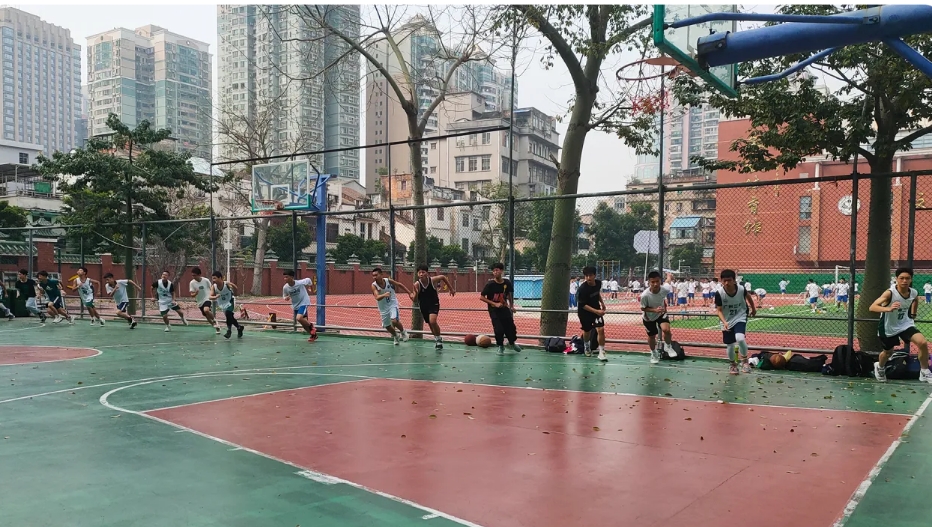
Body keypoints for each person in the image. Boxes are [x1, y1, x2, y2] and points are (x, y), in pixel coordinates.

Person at [870, 267, 931, 383]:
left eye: (907, 278)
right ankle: (880, 366)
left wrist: (913, 313)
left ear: (911, 279)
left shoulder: (913, 292)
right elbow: (872, 307)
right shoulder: (890, 293)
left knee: (922, 343)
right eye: (901, 278)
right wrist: (888, 309)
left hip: (905, 324)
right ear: (896, 279)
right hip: (888, 326)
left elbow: (915, 299)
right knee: (888, 352)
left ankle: (924, 371)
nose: (904, 281)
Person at [714, 269, 757, 375]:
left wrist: (753, 308)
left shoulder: (741, 289)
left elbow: (749, 297)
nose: (726, 283)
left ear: (734, 280)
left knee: (740, 338)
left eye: (729, 280)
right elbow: (719, 311)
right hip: (726, 319)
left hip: (740, 316)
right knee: (730, 344)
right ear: (721, 281)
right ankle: (733, 365)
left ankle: (745, 361)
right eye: (724, 281)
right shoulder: (719, 293)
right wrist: (724, 322)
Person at [480, 262, 522, 354]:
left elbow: (509, 294)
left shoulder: (507, 282)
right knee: (499, 329)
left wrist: (511, 306)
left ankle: (512, 343)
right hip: (494, 310)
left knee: (511, 328)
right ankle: (500, 346)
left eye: (497, 270)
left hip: (504, 309)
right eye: (493, 271)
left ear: (502, 271)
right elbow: (482, 297)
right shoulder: (490, 284)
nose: (495, 272)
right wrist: (494, 304)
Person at [410, 264, 455, 350]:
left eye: (423, 272)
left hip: (433, 303)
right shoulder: (417, 284)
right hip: (423, 306)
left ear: (427, 273)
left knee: (433, 321)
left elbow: (443, 277)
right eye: (419, 272)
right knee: (430, 324)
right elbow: (415, 300)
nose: (421, 274)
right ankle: (437, 339)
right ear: (417, 274)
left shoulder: (432, 280)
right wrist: (415, 293)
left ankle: (439, 339)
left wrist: (451, 289)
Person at [640, 270, 675, 364]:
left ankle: (668, 346)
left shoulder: (665, 289)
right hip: (649, 317)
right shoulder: (645, 295)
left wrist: (669, 276)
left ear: (660, 281)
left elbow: (667, 282)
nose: (655, 284)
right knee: (652, 336)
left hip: (660, 313)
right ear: (649, 282)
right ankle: (653, 352)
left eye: (657, 281)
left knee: (666, 330)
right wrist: (654, 310)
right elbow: (643, 308)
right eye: (653, 282)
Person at [370, 267, 410, 345]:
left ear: (381, 274)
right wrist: (384, 295)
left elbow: (399, 284)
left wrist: (409, 293)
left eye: (376, 275)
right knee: (387, 326)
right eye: (373, 276)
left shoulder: (388, 281)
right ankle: (396, 335)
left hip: (392, 304)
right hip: (383, 307)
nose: (374, 277)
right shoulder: (374, 285)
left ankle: (403, 332)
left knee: (394, 320)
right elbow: (377, 297)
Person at [576, 266, 608, 362]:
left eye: (590, 275)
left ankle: (602, 351)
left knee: (601, 329)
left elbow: (597, 293)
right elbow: (583, 305)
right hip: (584, 313)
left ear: (595, 275)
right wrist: (597, 311)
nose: (588, 278)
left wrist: (602, 303)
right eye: (586, 276)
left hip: (596, 310)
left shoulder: (598, 283)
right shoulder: (582, 289)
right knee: (587, 331)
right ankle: (586, 346)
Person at [282, 269, 317, 342]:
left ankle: (311, 326)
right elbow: (284, 296)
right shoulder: (285, 287)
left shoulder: (300, 283)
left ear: (292, 277)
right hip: (296, 305)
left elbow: (309, 280)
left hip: (304, 302)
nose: (285, 279)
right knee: (304, 324)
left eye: (287, 277)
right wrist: (286, 298)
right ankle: (313, 335)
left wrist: (311, 287)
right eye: (284, 277)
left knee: (299, 318)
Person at [210, 271, 243, 339]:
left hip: (230, 301)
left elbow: (235, 287)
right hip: (222, 304)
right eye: (212, 278)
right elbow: (210, 296)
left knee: (228, 313)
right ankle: (239, 327)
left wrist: (231, 286)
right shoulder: (214, 287)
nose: (213, 280)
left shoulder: (226, 284)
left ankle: (229, 331)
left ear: (220, 278)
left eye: (215, 278)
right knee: (230, 317)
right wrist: (215, 297)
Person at [190, 267, 220, 335]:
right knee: (206, 316)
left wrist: (213, 295)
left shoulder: (206, 280)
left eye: (195, 275)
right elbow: (192, 294)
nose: (193, 277)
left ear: (199, 274)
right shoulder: (192, 283)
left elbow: (211, 288)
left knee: (206, 310)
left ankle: (215, 321)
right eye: (192, 275)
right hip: (199, 301)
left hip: (207, 298)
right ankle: (216, 327)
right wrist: (195, 293)